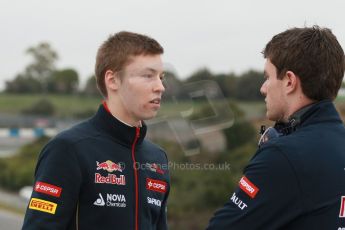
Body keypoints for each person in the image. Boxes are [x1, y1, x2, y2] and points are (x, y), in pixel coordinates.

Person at [22, 31, 170, 230]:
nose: (160, 87)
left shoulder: (157, 159)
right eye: (148, 76)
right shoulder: (68, 149)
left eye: (161, 77)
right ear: (113, 80)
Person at [207, 26, 345, 229]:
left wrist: (267, 154)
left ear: (289, 81)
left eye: (267, 77)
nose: (263, 88)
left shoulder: (283, 156)